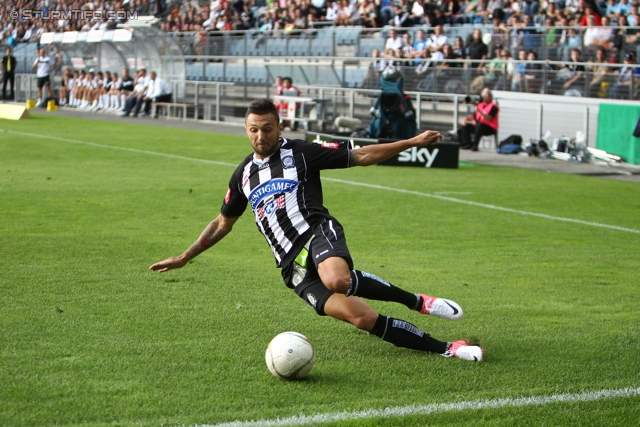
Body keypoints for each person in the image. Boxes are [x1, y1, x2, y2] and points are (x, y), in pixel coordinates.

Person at [150, 98, 485, 363]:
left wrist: (411, 141)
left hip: (316, 233)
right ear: (246, 129)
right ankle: (447, 347)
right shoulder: (242, 175)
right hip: (291, 267)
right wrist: (184, 256)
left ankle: (417, 302)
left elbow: (362, 155)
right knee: (361, 318)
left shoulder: (302, 152)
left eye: (267, 128)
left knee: (338, 279)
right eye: (253, 129)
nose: (260, 136)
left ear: (280, 126)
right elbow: (223, 222)